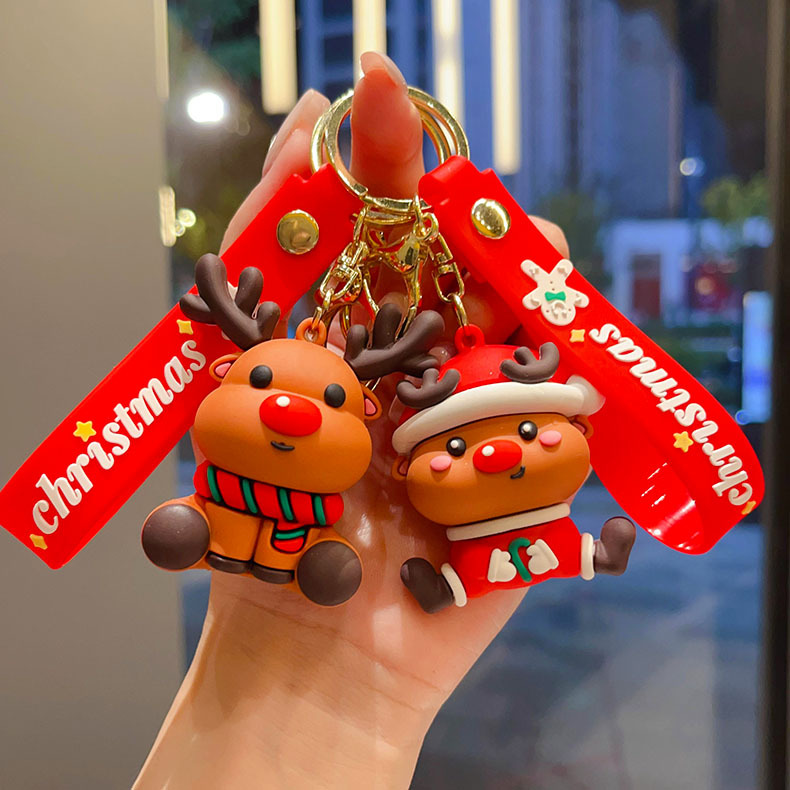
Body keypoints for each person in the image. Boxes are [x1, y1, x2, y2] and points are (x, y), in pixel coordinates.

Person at [133, 52, 574, 790]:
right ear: (223, 375)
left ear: (369, 410)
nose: (286, 407)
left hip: (308, 534)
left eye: (335, 402)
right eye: (260, 381)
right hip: (234, 514)